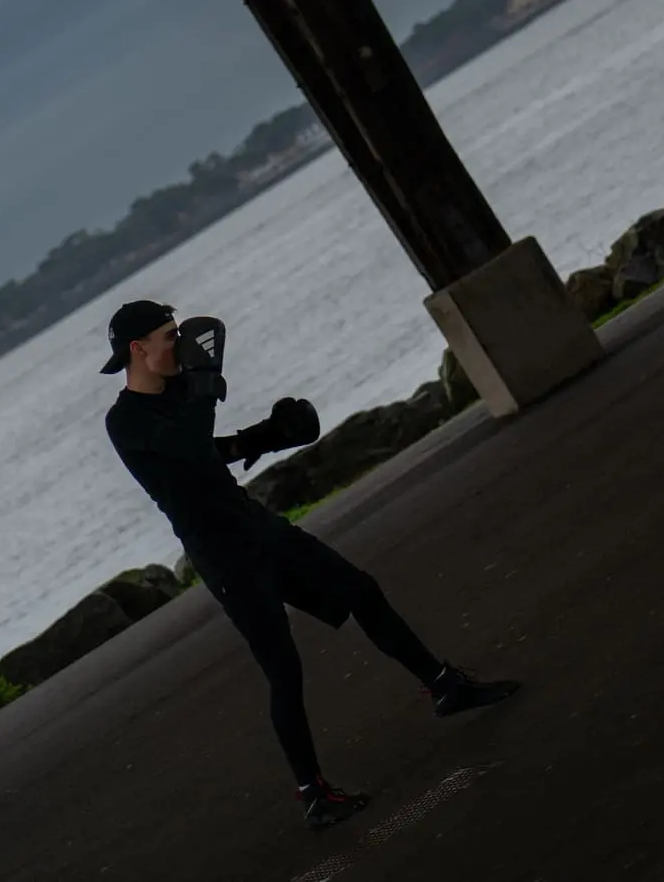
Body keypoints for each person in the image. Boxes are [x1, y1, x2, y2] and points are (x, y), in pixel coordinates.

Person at [102, 298, 519, 832]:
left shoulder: (181, 388)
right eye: (169, 335)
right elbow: (183, 445)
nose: (180, 343)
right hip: (223, 556)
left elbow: (206, 452)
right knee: (283, 669)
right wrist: (206, 379)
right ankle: (313, 795)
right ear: (138, 349)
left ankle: (445, 687)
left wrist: (270, 436)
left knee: (362, 592)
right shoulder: (125, 422)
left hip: (257, 527)